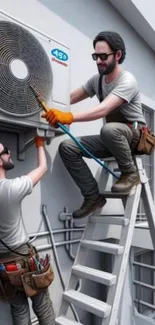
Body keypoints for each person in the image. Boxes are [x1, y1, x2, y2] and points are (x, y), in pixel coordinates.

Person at [42, 31, 146, 219]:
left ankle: (130, 173)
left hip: (134, 137)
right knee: (68, 147)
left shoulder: (127, 81)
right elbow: (68, 98)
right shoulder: (96, 81)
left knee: (108, 129)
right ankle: (92, 196)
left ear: (118, 55)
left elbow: (103, 110)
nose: (98, 61)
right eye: (96, 57)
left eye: (103, 56)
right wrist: (48, 104)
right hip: (112, 138)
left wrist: (68, 116)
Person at [0, 137, 55, 325]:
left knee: (18, 309)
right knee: (42, 305)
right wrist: (39, 144)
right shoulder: (11, 188)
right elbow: (42, 169)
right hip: (22, 257)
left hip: (2, 265)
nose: (9, 153)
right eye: (5, 151)